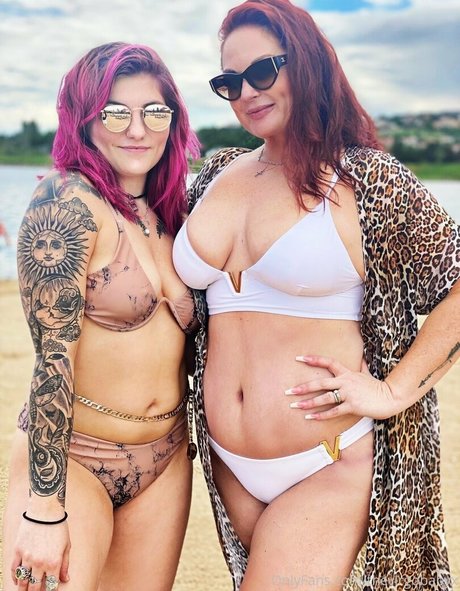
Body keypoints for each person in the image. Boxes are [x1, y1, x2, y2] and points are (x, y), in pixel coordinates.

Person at [172, 1, 460, 589]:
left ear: (305, 62)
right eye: (230, 82)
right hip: (229, 466)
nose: (246, 92)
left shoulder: (367, 179)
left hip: (325, 458)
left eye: (262, 71)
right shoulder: (217, 174)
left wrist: (392, 390)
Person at [3, 42, 200, 591]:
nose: (137, 129)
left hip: (165, 458)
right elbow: (52, 361)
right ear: (84, 120)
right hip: (75, 457)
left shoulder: (173, 215)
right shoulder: (66, 203)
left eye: (154, 111)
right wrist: (44, 509)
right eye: (115, 113)